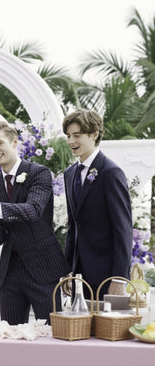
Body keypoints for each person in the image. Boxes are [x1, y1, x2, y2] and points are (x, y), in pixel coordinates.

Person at [0, 121, 69, 325]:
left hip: (43, 268)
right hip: (10, 272)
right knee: (10, 336)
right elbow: (3, 233)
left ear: (14, 142)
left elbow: (34, 210)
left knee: (51, 335)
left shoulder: (39, 173)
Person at [62, 109, 133, 300]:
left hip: (106, 274)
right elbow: (73, 226)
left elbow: (123, 229)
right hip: (79, 276)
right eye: (68, 136)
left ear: (94, 134)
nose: (71, 142)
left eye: (77, 135)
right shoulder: (70, 174)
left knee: (104, 330)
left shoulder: (111, 172)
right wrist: (67, 270)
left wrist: (119, 279)